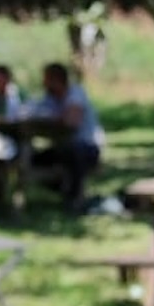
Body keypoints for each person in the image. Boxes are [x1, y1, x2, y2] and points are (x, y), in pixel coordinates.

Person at [27, 62, 104, 212]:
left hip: (87, 148)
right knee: (32, 160)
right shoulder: (51, 98)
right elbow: (34, 110)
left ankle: (76, 199)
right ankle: (66, 191)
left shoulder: (75, 93)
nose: (44, 84)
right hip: (65, 148)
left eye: (46, 80)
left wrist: (54, 119)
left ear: (56, 80)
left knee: (74, 152)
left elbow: (71, 121)